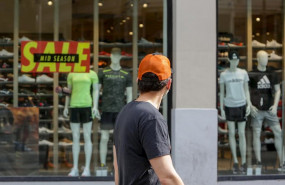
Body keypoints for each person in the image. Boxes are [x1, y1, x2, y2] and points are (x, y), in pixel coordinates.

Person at [113, 53, 184, 185]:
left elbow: (117, 167)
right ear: (168, 84)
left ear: (137, 81)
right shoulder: (151, 118)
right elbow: (167, 177)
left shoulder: (125, 112)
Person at [249, 50, 285, 170]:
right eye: (263, 58)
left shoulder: (272, 73)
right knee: (256, 134)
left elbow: (278, 90)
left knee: (278, 132)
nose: (265, 60)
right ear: (258, 59)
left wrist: (275, 106)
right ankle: (258, 161)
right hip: (257, 109)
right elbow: (246, 90)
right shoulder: (252, 74)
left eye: (267, 58)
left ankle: (282, 162)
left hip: (270, 109)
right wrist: (250, 105)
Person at [97, 47, 132, 169]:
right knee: (104, 137)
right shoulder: (103, 72)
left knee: (119, 140)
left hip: (120, 111)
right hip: (106, 110)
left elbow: (130, 95)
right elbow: (96, 90)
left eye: (118, 56)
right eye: (114, 55)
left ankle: (117, 165)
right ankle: (102, 164)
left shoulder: (126, 74)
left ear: (120, 57)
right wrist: (95, 107)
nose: (116, 58)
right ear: (110, 56)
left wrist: (128, 111)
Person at [219, 50, 251, 174]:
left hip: (242, 104)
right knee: (231, 133)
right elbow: (222, 92)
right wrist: (221, 108)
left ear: (238, 60)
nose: (234, 62)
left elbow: (246, 90)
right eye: (232, 60)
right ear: (229, 60)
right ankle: (236, 163)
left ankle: (243, 162)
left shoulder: (243, 73)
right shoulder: (224, 75)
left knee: (241, 134)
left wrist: (249, 104)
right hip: (229, 105)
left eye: (236, 60)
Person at [63, 70, 100, 176]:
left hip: (87, 106)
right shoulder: (71, 74)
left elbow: (96, 90)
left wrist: (95, 106)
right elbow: (68, 91)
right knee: (75, 137)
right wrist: (66, 106)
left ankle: (87, 168)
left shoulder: (92, 73)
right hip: (74, 106)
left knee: (87, 136)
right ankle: (75, 168)